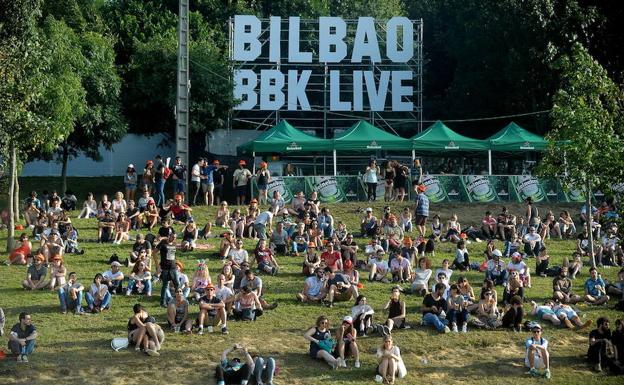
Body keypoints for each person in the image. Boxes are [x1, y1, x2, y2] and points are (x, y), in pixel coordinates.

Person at [157, 233, 179, 307]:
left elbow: (173, 255)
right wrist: (157, 265)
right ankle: (162, 302)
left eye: (175, 237)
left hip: (173, 267)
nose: (174, 238)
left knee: (177, 283)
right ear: (169, 236)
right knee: (165, 285)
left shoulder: (174, 244)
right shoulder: (163, 243)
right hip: (165, 267)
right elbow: (154, 252)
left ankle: (178, 300)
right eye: (173, 237)